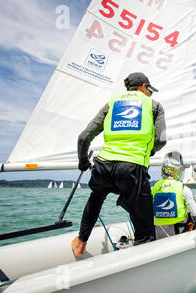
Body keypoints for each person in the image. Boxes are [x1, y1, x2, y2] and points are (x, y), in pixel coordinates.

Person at [71, 72, 167, 257]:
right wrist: (150, 151)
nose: (150, 94)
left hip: (103, 165)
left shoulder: (112, 103)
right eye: (149, 90)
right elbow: (161, 140)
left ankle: (81, 241)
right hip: (132, 167)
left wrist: (83, 161)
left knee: (96, 197)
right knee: (145, 222)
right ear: (144, 87)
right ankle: (142, 257)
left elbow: (84, 137)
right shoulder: (154, 106)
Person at [152, 151, 196, 239]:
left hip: (158, 237)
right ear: (177, 170)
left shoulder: (154, 188)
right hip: (179, 237)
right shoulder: (183, 189)